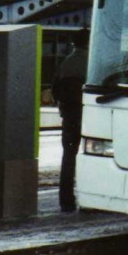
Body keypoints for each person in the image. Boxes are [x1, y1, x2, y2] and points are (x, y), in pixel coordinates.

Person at [53, 30, 89, 212]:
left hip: (69, 116)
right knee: (92, 157)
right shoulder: (91, 62)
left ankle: (66, 201)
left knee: (68, 157)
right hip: (89, 117)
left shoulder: (66, 63)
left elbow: (55, 91)